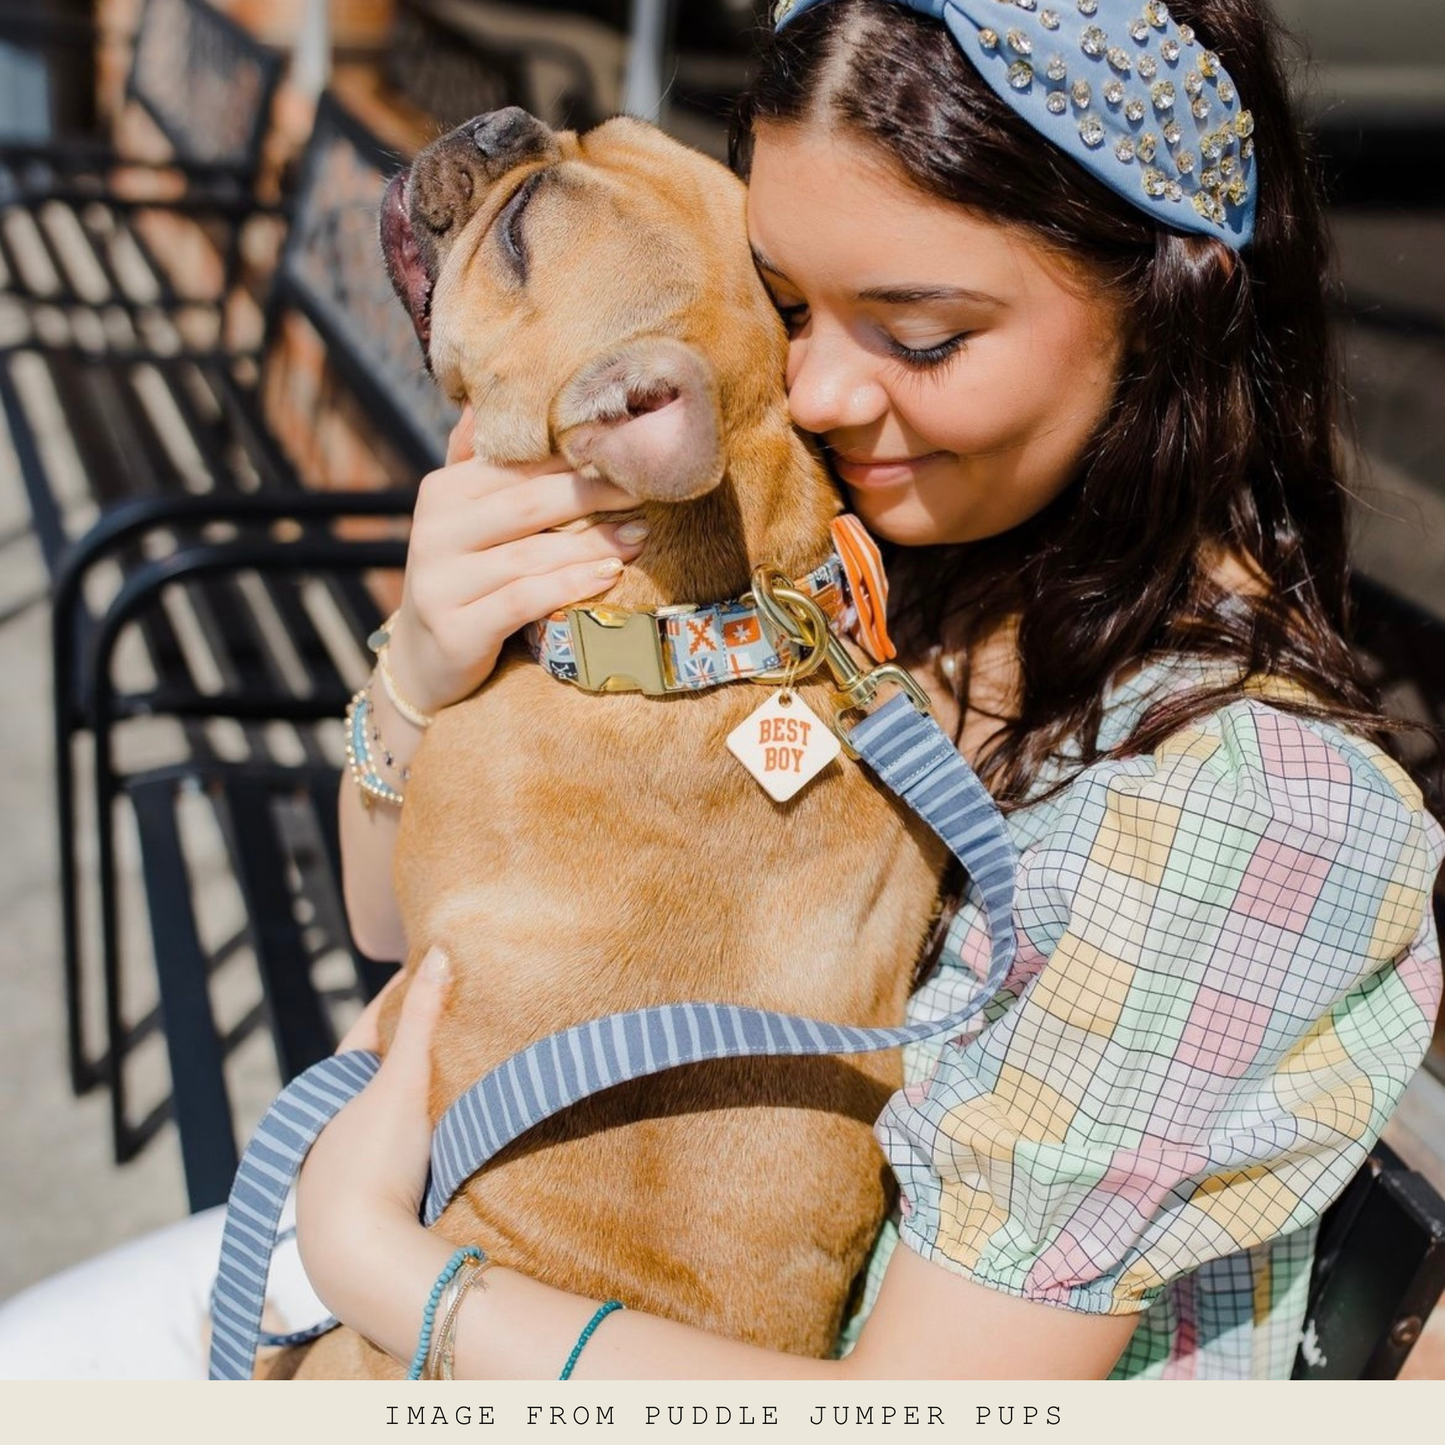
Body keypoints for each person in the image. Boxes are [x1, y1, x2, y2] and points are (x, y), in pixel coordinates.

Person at [0, 0, 1441, 1382]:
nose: (811, 391)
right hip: (511, 1265)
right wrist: (424, 671)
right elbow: (390, 919)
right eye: (787, 303)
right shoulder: (861, 551)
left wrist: (383, 1268)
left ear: (1171, 310)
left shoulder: (1249, 808)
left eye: (921, 335)